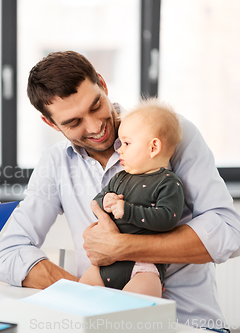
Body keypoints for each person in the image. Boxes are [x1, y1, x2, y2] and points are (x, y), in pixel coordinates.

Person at [0, 51, 240, 331]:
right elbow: (9, 250)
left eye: (96, 105)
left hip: (187, 324)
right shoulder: (55, 162)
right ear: (50, 123)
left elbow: (228, 231)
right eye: (73, 122)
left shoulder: (169, 134)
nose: (95, 126)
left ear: (102, 83)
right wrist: (91, 298)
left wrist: (123, 248)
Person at [79, 99, 184, 297]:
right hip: (105, 265)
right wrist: (106, 200)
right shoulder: (120, 177)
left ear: (153, 148)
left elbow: (168, 218)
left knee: (132, 318)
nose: (119, 149)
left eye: (126, 143)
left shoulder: (168, 182)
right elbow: (98, 199)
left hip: (142, 267)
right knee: (79, 301)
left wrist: (128, 210)